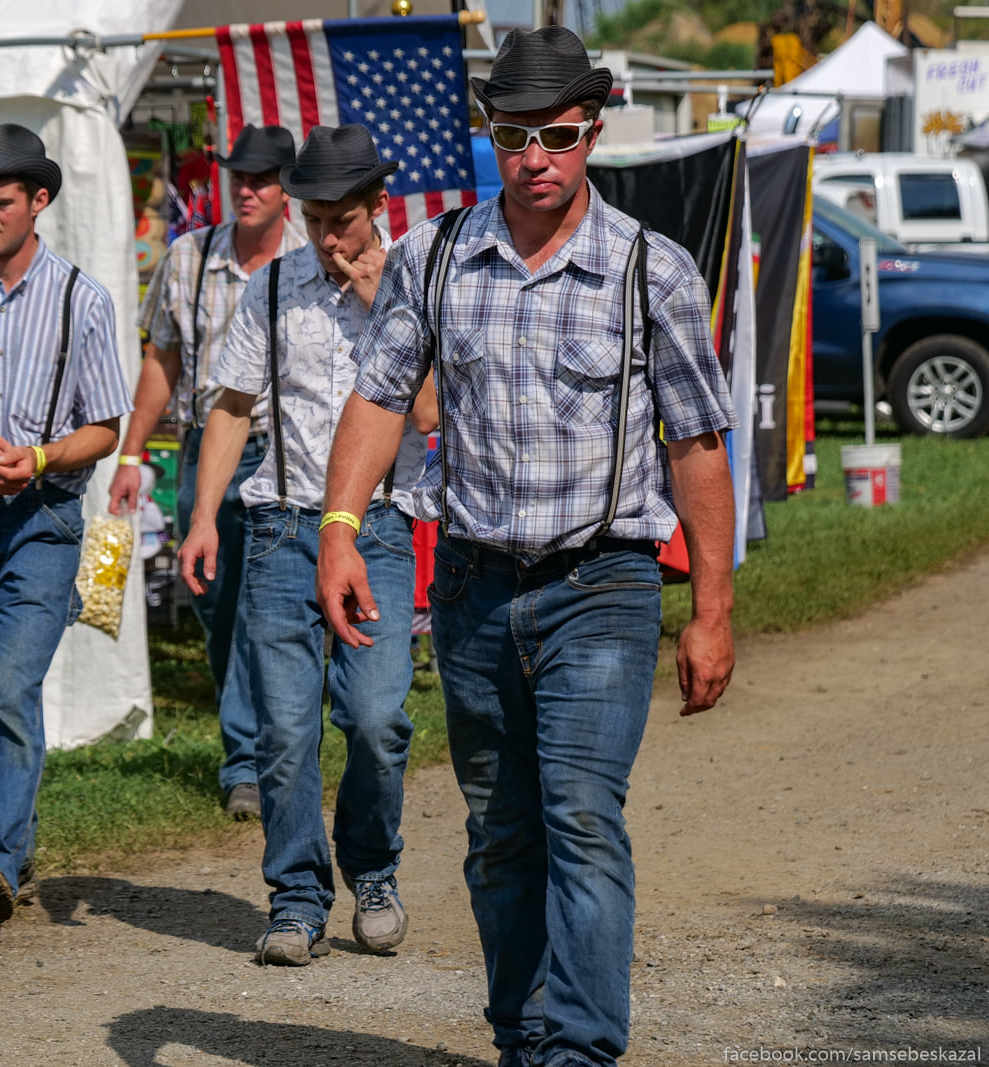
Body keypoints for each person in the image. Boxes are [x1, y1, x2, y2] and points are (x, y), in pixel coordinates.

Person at [319, 27, 738, 1067]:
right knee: (502, 829)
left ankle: (580, 1048)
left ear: (592, 131)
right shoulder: (435, 256)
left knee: (581, 815)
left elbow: (695, 444)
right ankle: (522, 1034)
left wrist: (712, 611)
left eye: (557, 134)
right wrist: (338, 530)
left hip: (603, 584)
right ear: (490, 135)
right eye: (514, 136)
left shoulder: (652, 270)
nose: (536, 156)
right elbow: (376, 399)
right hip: (472, 586)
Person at [179, 125, 430, 967]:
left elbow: (432, 411)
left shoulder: (413, 284)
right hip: (281, 528)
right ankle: (295, 896)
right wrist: (204, 516)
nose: (327, 239)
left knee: (376, 717)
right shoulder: (273, 285)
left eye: (341, 221)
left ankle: (373, 868)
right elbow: (232, 405)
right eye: (314, 220)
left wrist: (379, 301)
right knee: (284, 733)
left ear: (378, 206)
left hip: (379, 529)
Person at [0, 122, 133, 945]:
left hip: (45, 519)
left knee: (11, 687)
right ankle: (8, 844)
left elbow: (107, 425)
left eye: (0, 202)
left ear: (38, 200)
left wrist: (39, 455)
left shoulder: (84, 298)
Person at [108, 125, 308, 820]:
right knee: (218, 603)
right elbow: (161, 361)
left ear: (286, 187)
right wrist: (131, 453)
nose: (246, 190)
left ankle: (255, 760)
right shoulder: (189, 257)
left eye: (261, 179)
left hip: (288, 449)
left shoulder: (309, 257)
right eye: (238, 177)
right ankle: (257, 749)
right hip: (208, 449)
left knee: (271, 605)